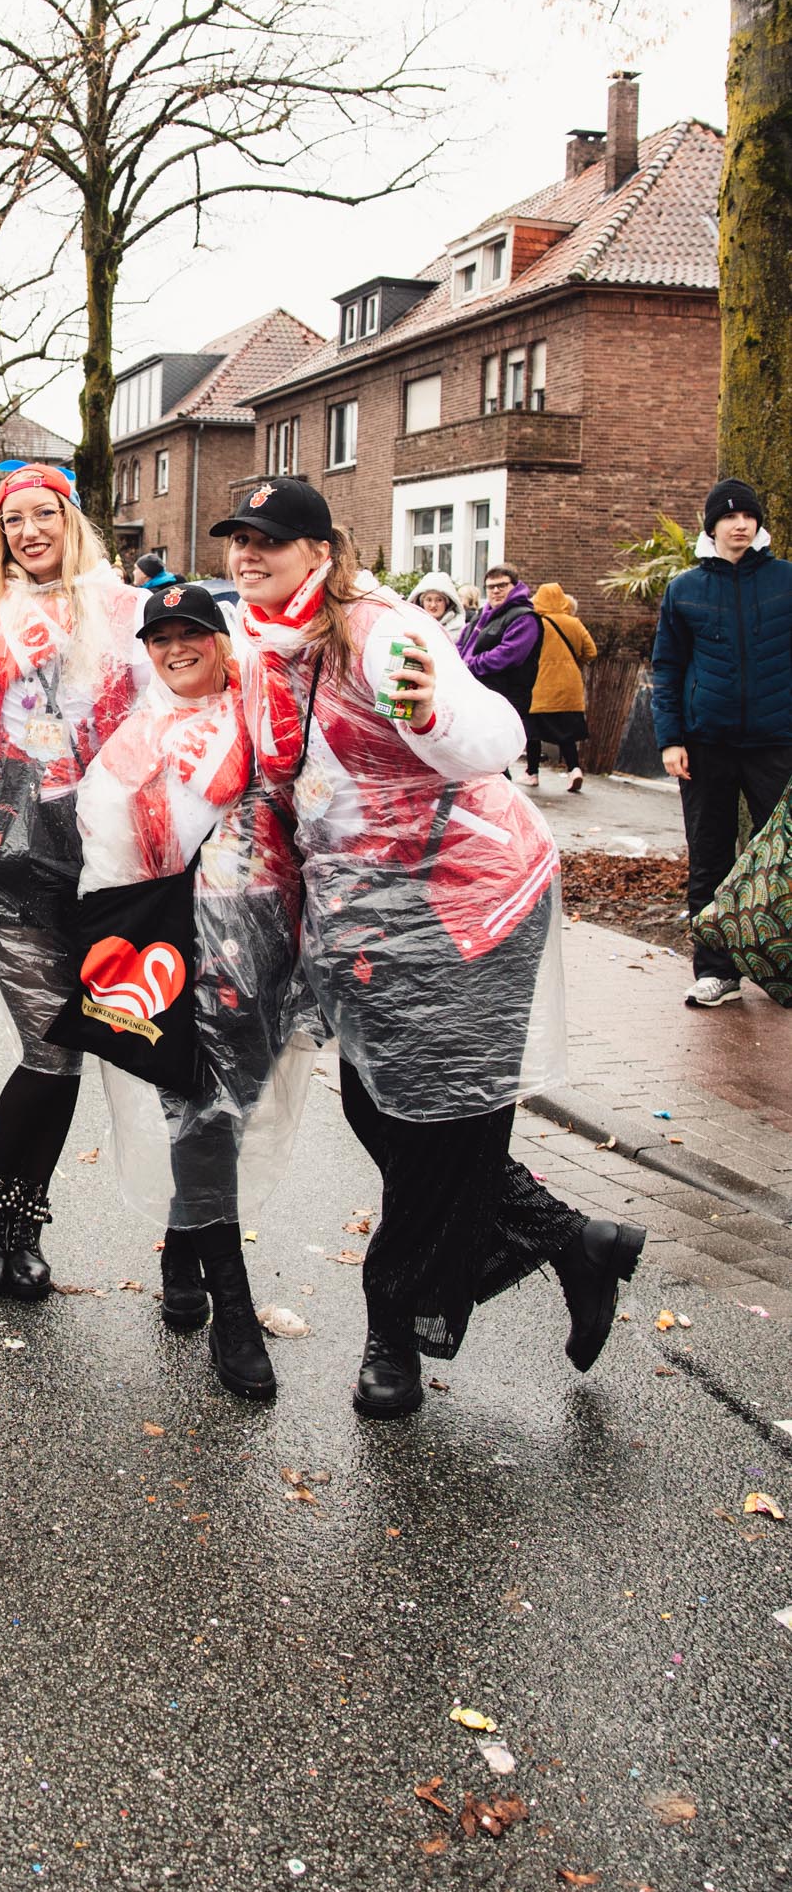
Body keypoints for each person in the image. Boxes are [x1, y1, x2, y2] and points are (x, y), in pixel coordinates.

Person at [219, 478, 643, 1418]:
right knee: (384, 1111)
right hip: (366, 911)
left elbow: (490, 733)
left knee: (434, 1122)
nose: (248, 555)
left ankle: (395, 1333)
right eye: (238, 539)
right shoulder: (259, 645)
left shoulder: (379, 631)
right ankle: (572, 1241)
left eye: (269, 540)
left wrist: (431, 715)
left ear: (319, 552)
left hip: (466, 901)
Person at [71, 582, 306, 1397]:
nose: (177, 649)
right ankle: (233, 1310)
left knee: (231, 1113)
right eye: (160, 638)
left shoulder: (263, 718)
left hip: (268, 944)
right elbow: (107, 851)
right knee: (198, 1117)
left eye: (191, 633)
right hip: (177, 952)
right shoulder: (133, 741)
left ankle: (182, 1245)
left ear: (220, 639)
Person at [0, 464, 145, 1298]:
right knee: (49, 1044)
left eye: (43, 515)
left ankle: (17, 1216)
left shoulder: (122, 609)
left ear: (71, 520)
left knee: (79, 1041)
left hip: (103, 842)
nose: (28, 532)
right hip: (8, 836)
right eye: (12, 520)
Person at [652, 477, 792, 1008]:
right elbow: (667, 668)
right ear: (712, 526)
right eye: (729, 517)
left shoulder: (786, 581)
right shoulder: (684, 589)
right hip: (705, 744)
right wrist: (670, 740)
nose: (740, 524)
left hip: (776, 742)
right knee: (710, 855)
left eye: (748, 516)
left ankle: (782, 965)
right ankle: (717, 972)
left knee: (783, 859)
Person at [526, 583, 596, 792]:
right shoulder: (574, 623)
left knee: (533, 732)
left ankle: (532, 773)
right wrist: (573, 663)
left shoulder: (536, 623)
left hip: (540, 685)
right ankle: (574, 769)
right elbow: (591, 652)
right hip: (568, 686)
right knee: (566, 734)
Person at [458, 565, 542, 723]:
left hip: (506, 699)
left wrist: (469, 664)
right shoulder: (481, 615)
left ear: (515, 586)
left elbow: (507, 654)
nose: (495, 591)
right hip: (476, 695)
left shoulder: (525, 617)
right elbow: (462, 643)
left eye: (502, 585)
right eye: (490, 587)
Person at [406, 570, 465, 642]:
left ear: (447, 603)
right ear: (422, 603)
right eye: (429, 600)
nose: (433, 605)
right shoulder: (411, 626)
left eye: (439, 600)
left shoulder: (458, 629)